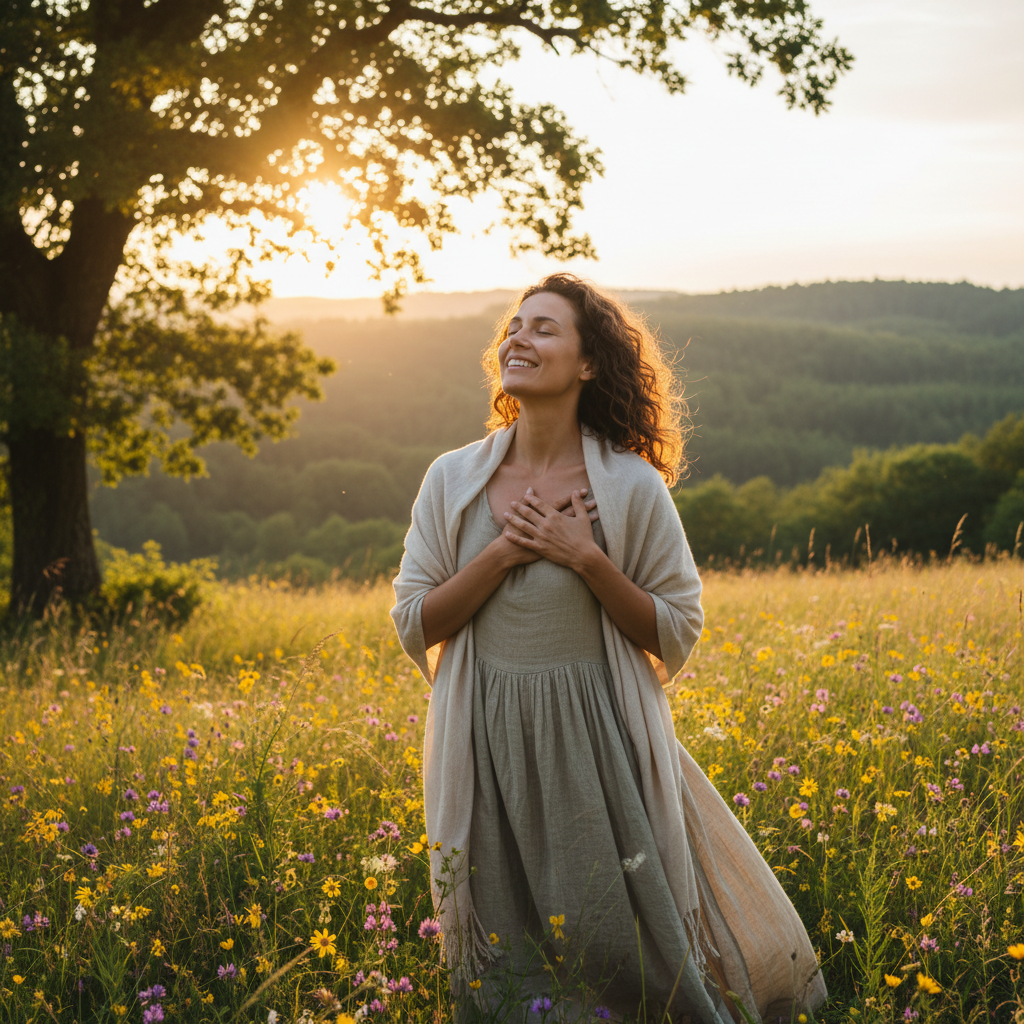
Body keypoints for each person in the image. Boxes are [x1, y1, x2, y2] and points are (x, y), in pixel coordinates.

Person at [391, 274, 826, 1023]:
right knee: (502, 939)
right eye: (514, 327)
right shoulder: (452, 479)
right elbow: (413, 621)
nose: (518, 339)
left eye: (544, 329)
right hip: (485, 740)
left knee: (618, 937)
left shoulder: (628, 487)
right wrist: (504, 556)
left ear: (589, 363)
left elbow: (674, 627)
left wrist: (586, 557)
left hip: (599, 743)